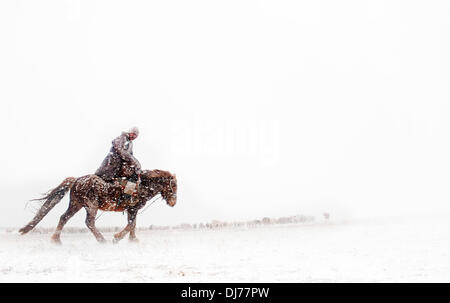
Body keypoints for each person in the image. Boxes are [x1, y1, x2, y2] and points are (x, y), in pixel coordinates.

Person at [95, 127, 142, 205]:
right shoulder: (121, 138)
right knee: (131, 177)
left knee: (133, 177)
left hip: (120, 165)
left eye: (136, 136)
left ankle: (124, 196)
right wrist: (135, 162)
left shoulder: (130, 143)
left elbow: (130, 155)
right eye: (133, 134)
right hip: (112, 164)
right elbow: (120, 151)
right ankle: (125, 197)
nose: (134, 136)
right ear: (130, 132)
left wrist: (135, 164)